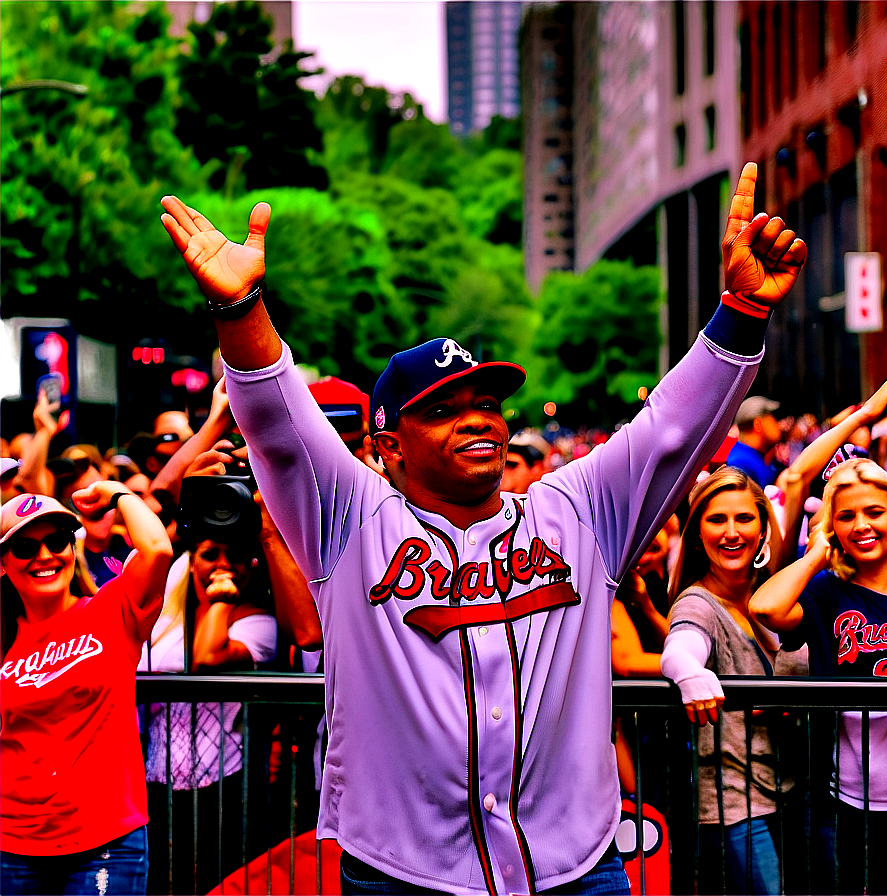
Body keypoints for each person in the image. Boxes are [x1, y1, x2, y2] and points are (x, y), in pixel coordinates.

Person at [161, 162, 806, 894]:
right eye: (440, 409)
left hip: (574, 865)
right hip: (403, 872)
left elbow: (670, 428)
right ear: (387, 443)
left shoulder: (577, 509)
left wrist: (743, 311)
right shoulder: (350, 522)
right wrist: (243, 308)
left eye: (487, 403)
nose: (477, 419)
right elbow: (279, 425)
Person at [0, 486, 172, 895]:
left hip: (107, 842)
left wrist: (116, 493)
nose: (44, 556)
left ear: (72, 549)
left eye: (57, 540)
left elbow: (156, 550)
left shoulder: (111, 611)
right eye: (24, 546)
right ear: (4, 563)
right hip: (12, 843)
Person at [749, 458, 887, 896]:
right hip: (847, 802)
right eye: (845, 516)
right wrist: (815, 555)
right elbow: (766, 608)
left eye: (874, 512)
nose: (861, 525)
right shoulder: (827, 590)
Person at [138, 471, 279, 896]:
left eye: (233, 555)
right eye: (209, 553)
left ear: (250, 562)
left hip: (224, 786)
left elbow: (208, 658)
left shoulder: (257, 622)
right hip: (156, 780)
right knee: (163, 882)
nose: (222, 564)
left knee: (220, 884)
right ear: (190, 560)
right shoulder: (165, 620)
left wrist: (221, 599)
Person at [659, 467, 790, 894]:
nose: (731, 532)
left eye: (744, 518)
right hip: (732, 801)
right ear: (697, 533)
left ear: (763, 526)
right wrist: (690, 674)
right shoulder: (698, 603)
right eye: (717, 519)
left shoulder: (776, 592)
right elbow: (680, 648)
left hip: (793, 789)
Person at [726, 396, 784, 489]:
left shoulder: (754, 455)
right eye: (773, 419)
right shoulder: (739, 464)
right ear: (757, 425)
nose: (778, 425)